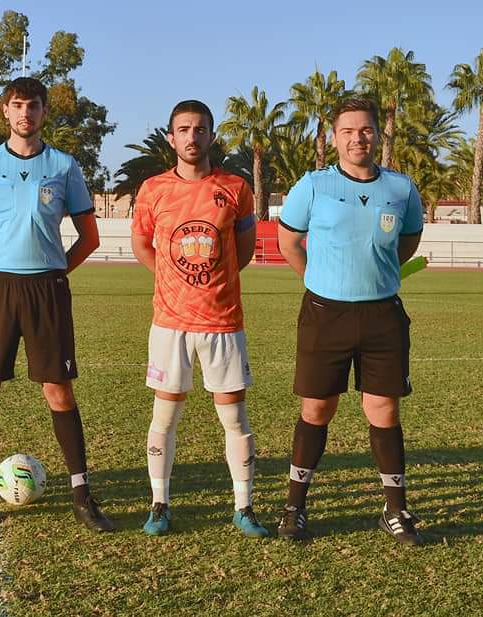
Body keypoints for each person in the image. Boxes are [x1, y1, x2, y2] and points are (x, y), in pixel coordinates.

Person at [0, 77, 112, 532]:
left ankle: (82, 495)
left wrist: (55, 273)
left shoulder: (64, 165)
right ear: (6, 113)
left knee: (58, 390)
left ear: (43, 113)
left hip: (46, 290)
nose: (25, 114)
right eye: (17, 106)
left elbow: (89, 238)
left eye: (33, 106)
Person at [276, 98, 424, 545]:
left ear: (378, 134)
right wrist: (319, 281)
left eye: (365, 130)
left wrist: (376, 274)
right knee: (317, 409)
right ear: (334, 137)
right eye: (348, 131)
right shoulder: (314, 186)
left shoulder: (400, 189)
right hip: (326, 314)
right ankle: (294, 507)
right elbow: (288, 241)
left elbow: (409, 240)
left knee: (384, 410)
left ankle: (395, 510)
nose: (357, 138)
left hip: (382, 316)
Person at [130, 100, 267, 537]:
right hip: (170, 322)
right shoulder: (152, 189)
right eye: (184, 129)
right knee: (164, 417)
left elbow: (244, 249)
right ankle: (159, 503)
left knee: (234, 418)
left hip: (223, 321)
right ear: (172, 138)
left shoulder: (236, 187)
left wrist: (212, 281)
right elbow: (142, 246)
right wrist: (172, 280)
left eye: (200, 129)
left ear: (211, 136)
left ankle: (243, 507)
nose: (192, 136)